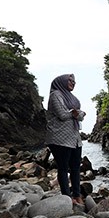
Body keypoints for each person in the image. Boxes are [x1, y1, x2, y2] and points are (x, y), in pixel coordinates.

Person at [45, 73, 86, 205]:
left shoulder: (72, 98)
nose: (73, 83)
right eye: (70, 80)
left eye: (74, 81)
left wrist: (77, 113)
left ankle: (77, 196)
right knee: (63, 168)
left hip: (74, 138)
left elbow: (78, 116)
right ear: (61, 81)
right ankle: (67, 198)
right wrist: (75, 113)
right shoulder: (55, 94)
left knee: (75, 167)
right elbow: (62, 115)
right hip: (59, 138)